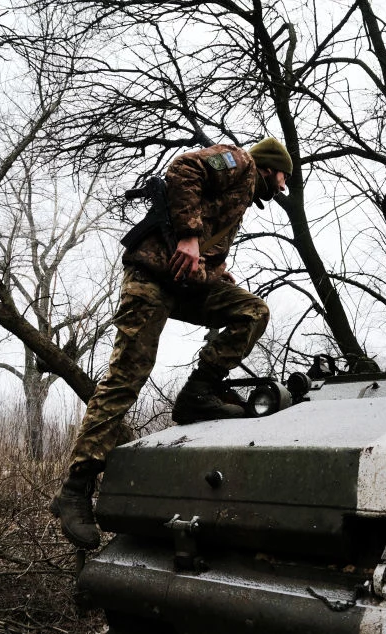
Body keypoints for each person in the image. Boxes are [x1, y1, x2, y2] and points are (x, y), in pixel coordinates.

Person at [50, 138, 293, 550]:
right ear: (272, 168)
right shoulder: (242, 162)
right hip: (151, 278)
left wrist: (216, 269)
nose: (283, 187)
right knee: (127, 376)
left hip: (185, 284)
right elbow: (185, 169)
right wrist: (189, 237)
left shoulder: (240, 193)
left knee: (251, 311)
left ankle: (197, 393)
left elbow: (204, 243)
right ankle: (75, 488)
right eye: (283, 177)